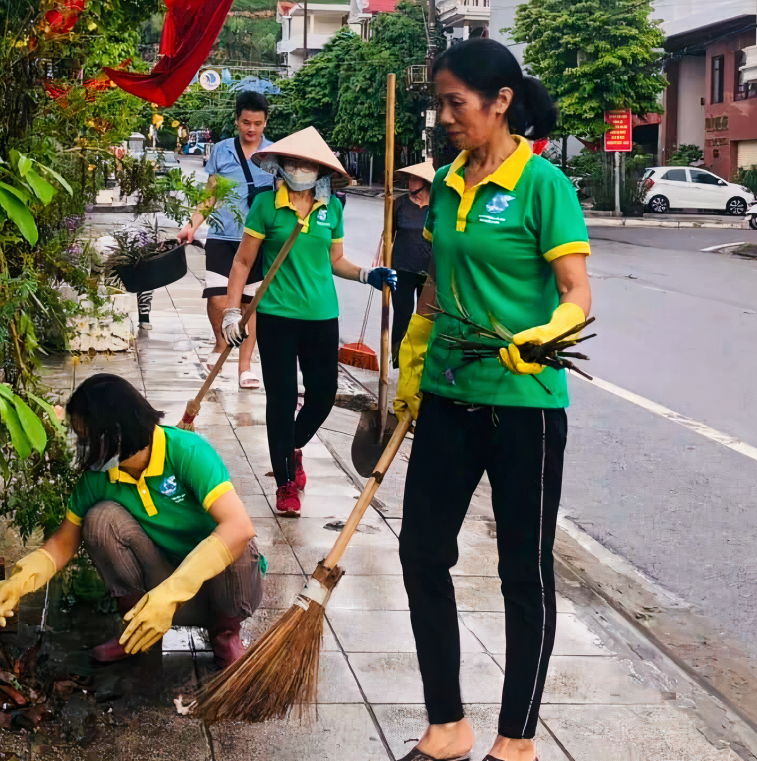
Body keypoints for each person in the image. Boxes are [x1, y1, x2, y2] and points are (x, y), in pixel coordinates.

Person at [394, 39, 592, 761]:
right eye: (437, 102)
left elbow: (577, 295)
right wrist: (410, 361)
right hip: (448, 395)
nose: (443, 115)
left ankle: (516, 740)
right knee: (419, 552)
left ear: (499, 100)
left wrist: (545, 333)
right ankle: (446, 726)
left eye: (456, 101)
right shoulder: (446, 181)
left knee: (522, 571)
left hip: (525, 403)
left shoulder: (544, 185)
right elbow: (435, 286)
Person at [0, 374, 264, 668]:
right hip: (159, 588)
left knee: (237, 542)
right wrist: (17, 582)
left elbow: (239, 527)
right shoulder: (99, 478)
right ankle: (136, 629)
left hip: (220, 591)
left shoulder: (187, 451)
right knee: (101, 519)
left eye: (86, 436)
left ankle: (225, 635)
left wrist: (170, 595)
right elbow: (63, 542)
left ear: (116, 434)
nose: (81, 446)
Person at [221, 127, 396, 516]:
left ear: (321, 170)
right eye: (294, 162)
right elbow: (243, 262)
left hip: (322, 316)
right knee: (280, 400)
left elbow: (335, 261)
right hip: (276, 317)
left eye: (308, 164)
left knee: (322, 394)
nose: (300, 169)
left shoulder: (331, 208)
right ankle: (285, 483)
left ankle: (290, 446)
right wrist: (233, 310)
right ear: (281, 166)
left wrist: (368, 275)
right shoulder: (266, 205)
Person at [177, 91, 274, 390]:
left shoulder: (275, 153)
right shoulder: (221, 150)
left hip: (257, 240)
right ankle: (221, 342)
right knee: (218, 297)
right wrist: (191, 226)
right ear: (236, 120)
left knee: (249, 303)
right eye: (246, 122)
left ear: (265, 123)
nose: (251, 129)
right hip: (221, 234)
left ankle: (245, 366)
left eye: (257, 123)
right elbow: (211, 194)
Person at [390, 162, 435, 367]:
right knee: (401, 314)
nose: (410, 182)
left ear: (425, 183)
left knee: (424, 318)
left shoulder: (436, 207)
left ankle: (422, 359)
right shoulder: (399, 204)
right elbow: (388, 235)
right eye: (409, 178)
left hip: (429, 271)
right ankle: (399, 359)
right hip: (402, 268)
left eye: (415, 178)